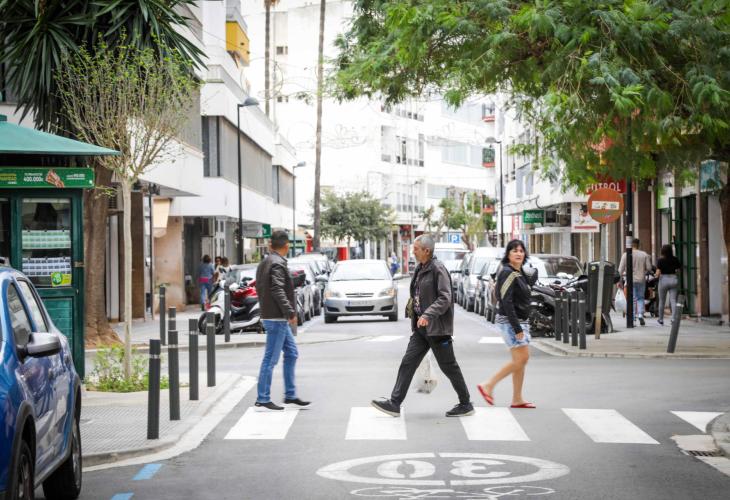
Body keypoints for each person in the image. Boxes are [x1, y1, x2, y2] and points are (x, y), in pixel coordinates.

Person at [371, 234, 474, 418]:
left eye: (416, 249)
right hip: (421, 329)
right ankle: (394, 403)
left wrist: (428, 314)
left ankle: (465, 403)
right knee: (408, 363)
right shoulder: (420, 268)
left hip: (437, 329)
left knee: (449, 367)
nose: (413, 252)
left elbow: (445, 298)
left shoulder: (438, 269)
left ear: (427, 251)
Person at [477, 240, 538, 409]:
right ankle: (488, 385)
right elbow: (506, 301)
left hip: (520, 321)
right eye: (514, 251)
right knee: (522, 358)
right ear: (508, 254)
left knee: (520, 361)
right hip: (511, 322)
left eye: (521, 251)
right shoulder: (507, 272)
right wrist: (517, 327)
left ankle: (517, 399)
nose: (518, 253)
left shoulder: (519, 272)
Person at [254, 230, 310, 411]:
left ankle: (290, 396)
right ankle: (263, 399)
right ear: (287, 245)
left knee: (292, 353)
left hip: (274, 316)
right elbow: (277, 289)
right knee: (270, 358)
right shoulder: (277, 263)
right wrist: (290, 311)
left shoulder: (266, 262)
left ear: (271, 245)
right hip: (276, 317)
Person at [618, 238, 653, 326]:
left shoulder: (625, 255)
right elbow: (649, 268)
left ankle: (633, 317)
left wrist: (619, 280)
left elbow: (620, 269)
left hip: (630, 280)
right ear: (638, 245)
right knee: (640, 297)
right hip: (641, 279)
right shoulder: (644, 254)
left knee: (632, 298)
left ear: (630, 245)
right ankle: (640, 314)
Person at [655, 244, 681, 325]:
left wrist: (656, 276)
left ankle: (660, 319)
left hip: (663, 280)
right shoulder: (675, 259)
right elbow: (678, 270)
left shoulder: (660, 260)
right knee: (673, 300)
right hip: (673, 279)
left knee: (662, 300)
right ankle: (673, 319)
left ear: (662, 251)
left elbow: (658, 272)